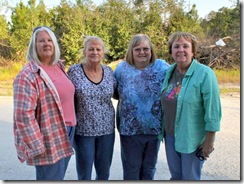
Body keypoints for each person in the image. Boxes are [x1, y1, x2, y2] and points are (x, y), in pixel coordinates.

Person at [13, 26, 76, 180]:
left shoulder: (58, 66)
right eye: (41, 41)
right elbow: (23, 115)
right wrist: (36, 145)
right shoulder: (28, 75)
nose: (46, 44)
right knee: (50, 178)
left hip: (68, 131)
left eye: (49, 40)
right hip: (49, 135)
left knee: (58, 176)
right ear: (34, 46)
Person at [159, 31, 222, 180]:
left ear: (193, 51)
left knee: (190, 178)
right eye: (176, 46)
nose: (181, 50)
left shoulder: (205, 74)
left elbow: (212, 110)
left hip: (191, 139)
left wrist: (209, 140)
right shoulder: (169, 72)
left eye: (185, 46)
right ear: (171, 51)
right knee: (176, 177)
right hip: (170, 136)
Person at [114, 34, 170, 180]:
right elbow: (115, 93)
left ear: (151, 50)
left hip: (154, 131)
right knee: (131, 169)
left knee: (149, 169)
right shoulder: (121, 69)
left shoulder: (162, 67)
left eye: (146, 48)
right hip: (130, 131)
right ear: (131, 51)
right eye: (137, 49)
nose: (142, 52)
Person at [67, 36, 117, 180]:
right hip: (84, 132)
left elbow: (116, 93)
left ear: (103, 52)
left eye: (98, 49)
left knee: (104, 173)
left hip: (107, 131)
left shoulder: (108, 71)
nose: (95, 52)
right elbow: (66, 95)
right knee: (84, 173)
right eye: (91, 49)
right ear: (84, 52)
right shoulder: (74, 71)